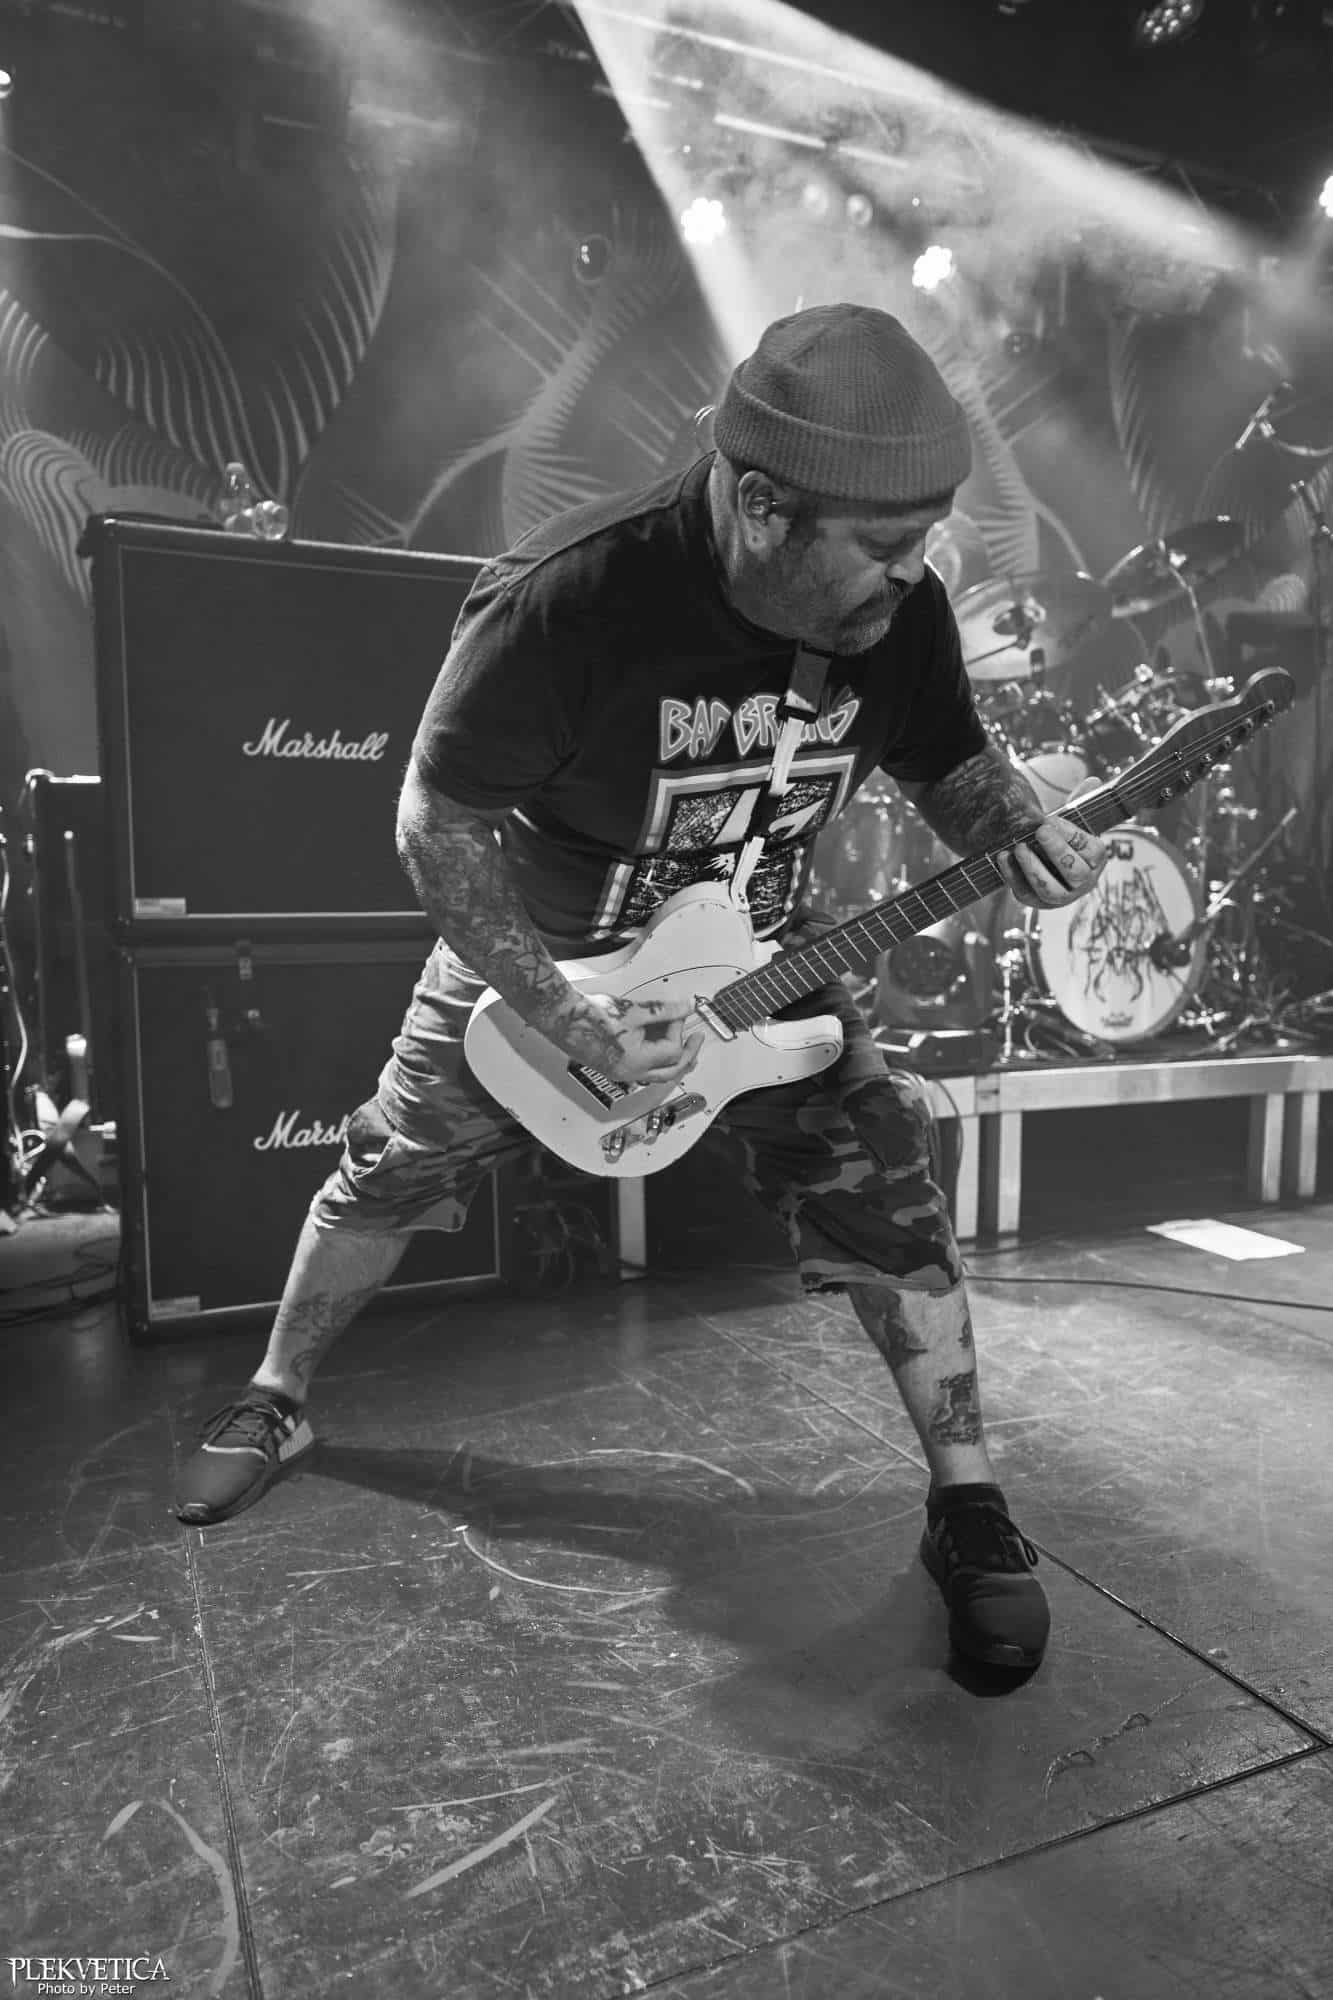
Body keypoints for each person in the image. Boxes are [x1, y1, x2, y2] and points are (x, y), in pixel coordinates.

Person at [174, 304, 1108, 1672]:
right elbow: (437, 825)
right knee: (388, 1169)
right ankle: (276, 1396)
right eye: (885, 546)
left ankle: (966, 1500)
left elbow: (949, 761)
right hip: (542, 960)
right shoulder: (572, 599)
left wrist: (1012, 829)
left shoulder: (896, 612)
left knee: (889, 1184)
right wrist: (566, 1017)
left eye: (926, 540)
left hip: (764, 960)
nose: (916, 576)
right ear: (760, 504)